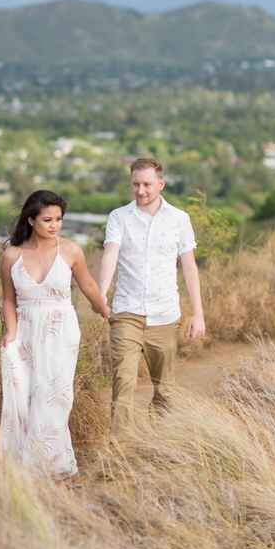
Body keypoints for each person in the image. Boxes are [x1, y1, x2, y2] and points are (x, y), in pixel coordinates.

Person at [0, 190, 110, 478]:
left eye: (59, 219)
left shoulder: (71, 250)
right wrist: (10, 332)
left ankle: (52, 466)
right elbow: (8, 299)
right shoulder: (12, 255)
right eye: (47, 219)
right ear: (31, 219)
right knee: (21, 398)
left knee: (54, 396)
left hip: (61, 332)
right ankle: (22, 467)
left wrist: (105, 310)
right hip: (23, 332)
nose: (54, 225)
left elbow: (87, 286)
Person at [98, 157, 206, 437]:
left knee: (165, 389)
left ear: (161, 184)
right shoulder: (118, 217)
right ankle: (119, 450)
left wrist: (198, 314)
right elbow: (110, 253)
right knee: (123, 382)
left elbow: (189, 267)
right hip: (126, 312)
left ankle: (160, 442)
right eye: (136, 184)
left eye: (147, 184)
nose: (141, 191)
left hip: (164, 315)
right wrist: (101, 293)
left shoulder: (180, 219)